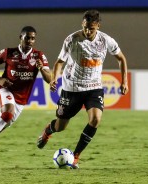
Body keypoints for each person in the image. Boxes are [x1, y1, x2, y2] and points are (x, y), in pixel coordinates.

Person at [36, 10, 129, 169]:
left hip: (94, 88)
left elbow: (121, 58)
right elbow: (59, 62)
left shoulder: (106, 40)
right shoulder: (72, 40)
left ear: (98, 26)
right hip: (72, 88)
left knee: (95, 120)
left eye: (91, 28)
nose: (87, 31)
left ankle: (76, 156)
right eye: (85, 27)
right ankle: (48, 131)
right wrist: (54, 79)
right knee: (61, 126)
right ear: (82, 24)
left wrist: (124, 81)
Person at [0, 26, 51, 164]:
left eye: (33, 38)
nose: (30, 40)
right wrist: (0, 79)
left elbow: (49, 79)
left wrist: (41, 68)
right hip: (6, 91)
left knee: (2, 125)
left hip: (21, 100)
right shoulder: (8, 52)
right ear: (21, 37)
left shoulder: (39, 56)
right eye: (27, 37)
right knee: (7, 114)